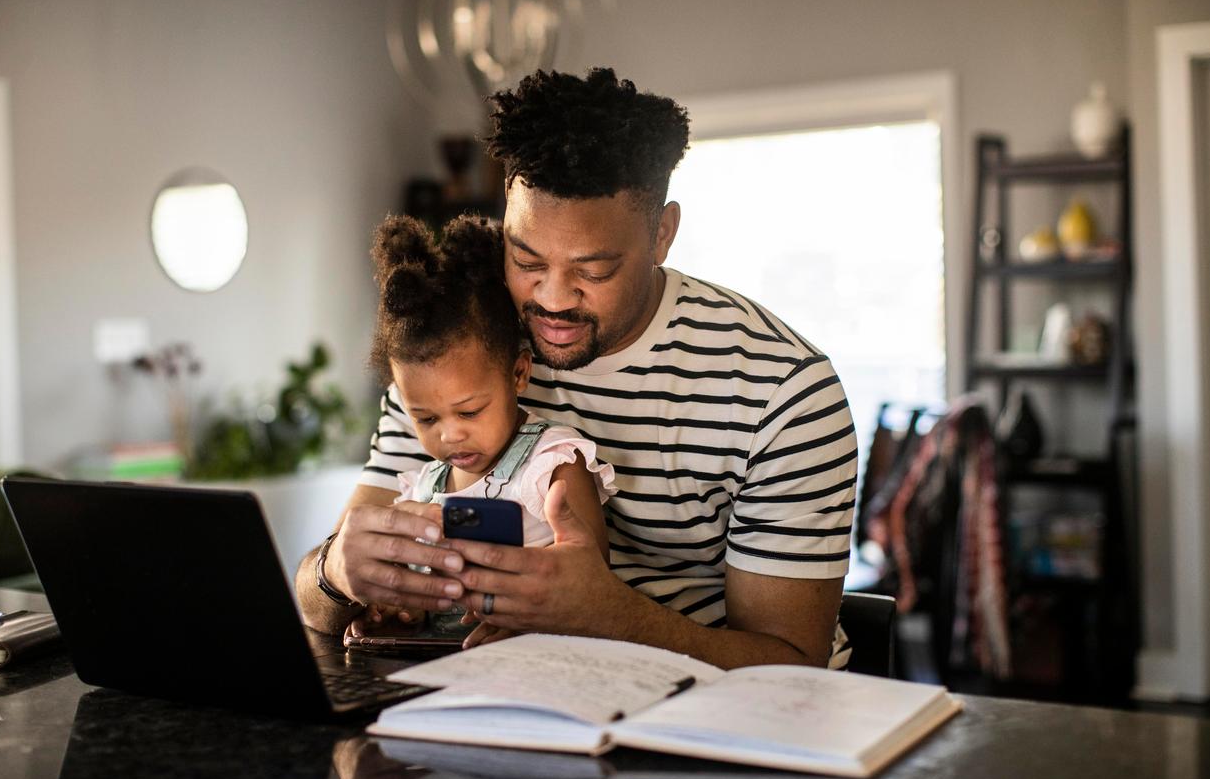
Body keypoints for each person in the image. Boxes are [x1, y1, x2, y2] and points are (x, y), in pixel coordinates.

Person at [297, 67, 858, 670]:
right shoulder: (463, 351)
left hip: (707, 722)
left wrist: (605, 615)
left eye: (594, 271)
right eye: (526, 258)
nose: (554, 299)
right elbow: (313, 602)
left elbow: (791, 669)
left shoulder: (781, 390)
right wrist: (337, 572)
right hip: (500, 695)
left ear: (662, 233)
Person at [357, 213, 615, 646]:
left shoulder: (552, 465)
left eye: (470, 412)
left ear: (518, 374)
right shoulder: (423, 489)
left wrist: (528, 615)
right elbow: (413, 583)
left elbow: (591, 583)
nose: (450, 435)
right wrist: (399, 604)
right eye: (426, 419)